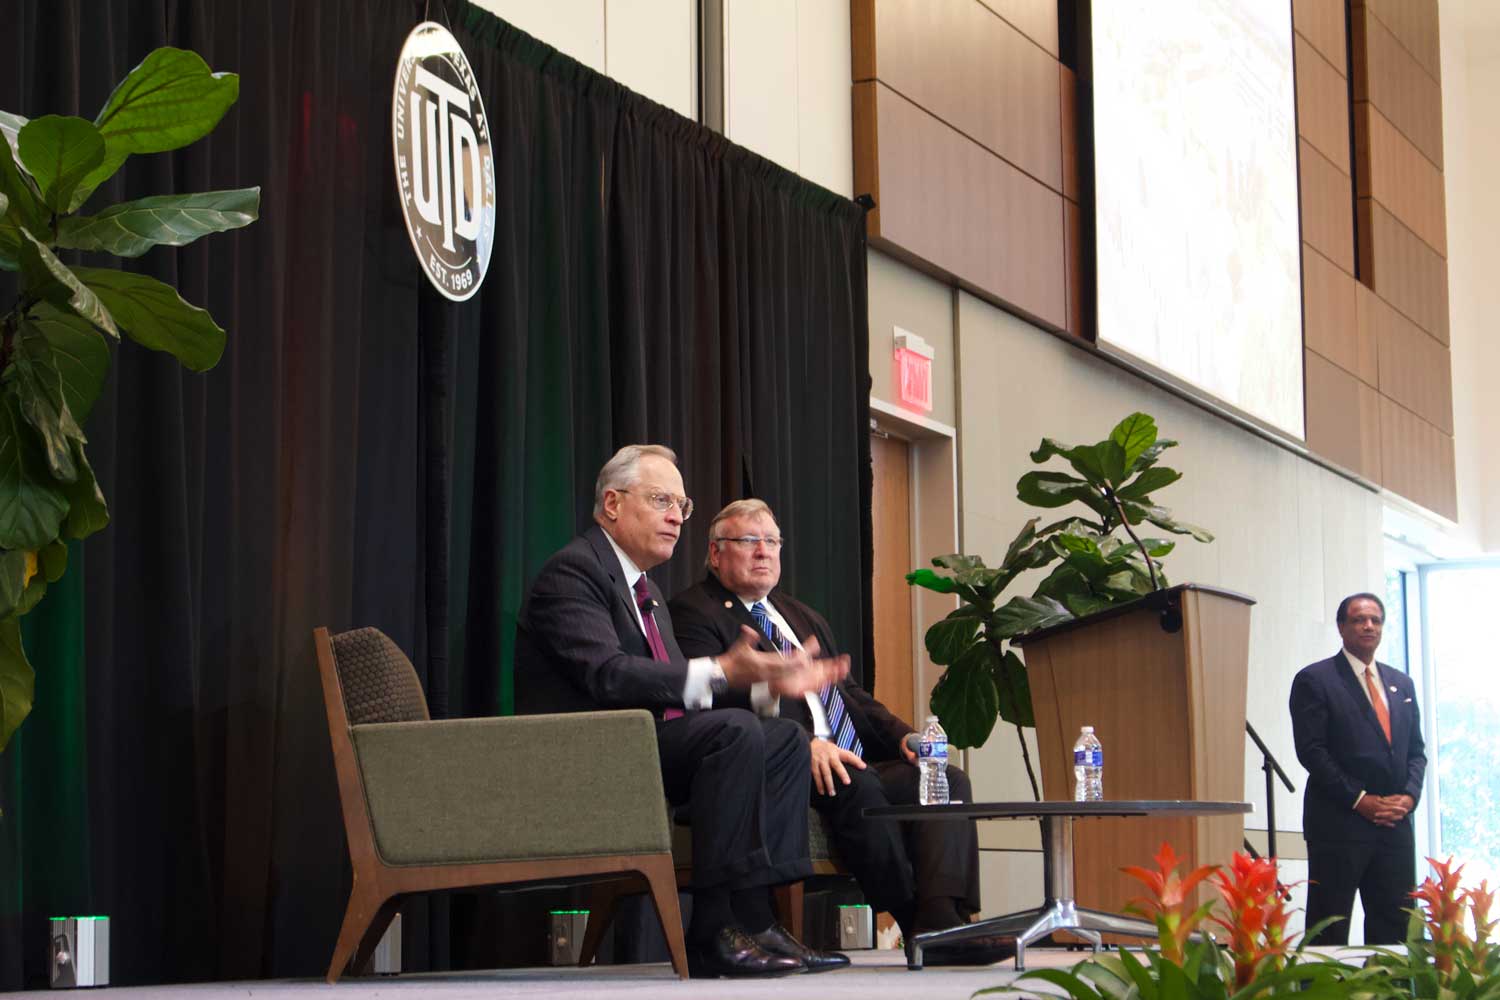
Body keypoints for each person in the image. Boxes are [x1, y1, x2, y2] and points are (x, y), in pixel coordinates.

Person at [514, 445, 851, 978]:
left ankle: (758, 918)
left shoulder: (643, 590)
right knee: (736, 731)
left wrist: (767, 681)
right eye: (661, 500)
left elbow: (680, 691)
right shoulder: (573, 573)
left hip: (642, 744)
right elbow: (608, 675)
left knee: (782, 736)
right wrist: (722, 670)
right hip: (591, 751)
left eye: (682, 505)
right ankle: (713, 929)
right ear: (612, 503)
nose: (676, 516)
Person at [670, 498, 1012, 966]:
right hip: (781, 760)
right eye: (748, 541)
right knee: (857, 781)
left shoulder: (801, 616)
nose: (763, 552)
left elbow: (851, 697)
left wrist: (904, 738)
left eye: (771, 542)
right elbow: (717, 699)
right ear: (715, 553)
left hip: (847, 753)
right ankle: (912, 917)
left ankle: (941, 919)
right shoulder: (694, 611)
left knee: (946, 779)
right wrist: (806, 741)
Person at [1289, 592, 1427, 945]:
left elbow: (1416, 752)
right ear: (1341, 627)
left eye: (1375, 620)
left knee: (1394, 928)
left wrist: (1408, 799)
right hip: (1340, 825)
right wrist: (1360, 799)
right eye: (1358, 619)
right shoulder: (1315, 680)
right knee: (1329, 928)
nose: (1368, 626)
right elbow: (1312, 752)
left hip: (1394, 826)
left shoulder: (1401, 684)